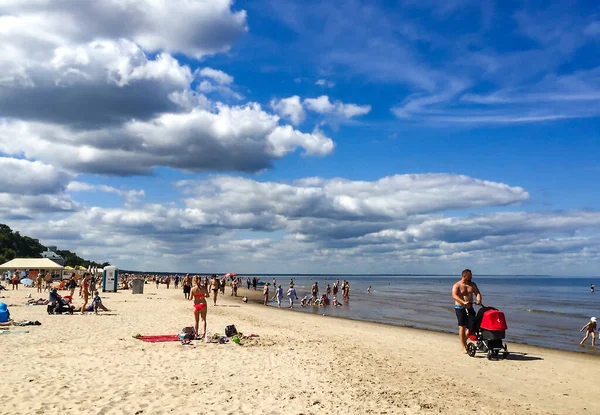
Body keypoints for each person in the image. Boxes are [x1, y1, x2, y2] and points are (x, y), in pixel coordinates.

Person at [451, 269, 482, 354]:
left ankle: (464, 341)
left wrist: (479, 299)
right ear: (464, 276)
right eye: (470, 276)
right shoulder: (457, 285)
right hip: (460, 307)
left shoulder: (472, 285)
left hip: (470, 307)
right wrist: (463, 302)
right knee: (462, 327)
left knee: (472, 326)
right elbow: (454, 295)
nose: (471, 277)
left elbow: (477, 293)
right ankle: (464, 346)